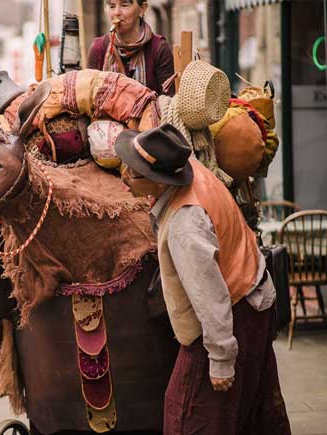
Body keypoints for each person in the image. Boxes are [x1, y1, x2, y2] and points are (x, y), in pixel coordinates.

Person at [114, 124, 291, 434]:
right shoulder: (190, 168)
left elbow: (211, 296)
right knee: (252, 416)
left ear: (157, 180)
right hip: (253, 299)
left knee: (188, 416)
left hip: (235, 315)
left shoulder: (186, 222)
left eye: (133, 172)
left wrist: (222, 358)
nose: (124, 177)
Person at [87, 0, 174, 96]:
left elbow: (168, 101)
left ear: (142, 9)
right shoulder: (98, 48)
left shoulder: (159, 48)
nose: (117, 13)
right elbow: (88, 97)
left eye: (124, 5)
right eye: (112, 6)